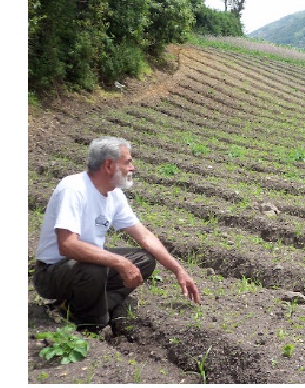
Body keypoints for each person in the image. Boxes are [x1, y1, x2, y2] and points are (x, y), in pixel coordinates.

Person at [33, 136, 201, 333]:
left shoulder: (114, 194)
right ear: (109, 165)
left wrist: (178, 270)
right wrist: (120, 262)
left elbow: (144, 236)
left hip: (82, 267)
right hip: (52, 273)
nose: (132, 168)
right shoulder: (73, 189)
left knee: (145, 260)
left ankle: (81, 304)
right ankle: (90, 323)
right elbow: (68, 245)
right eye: (128, 162)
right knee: (96, 269)